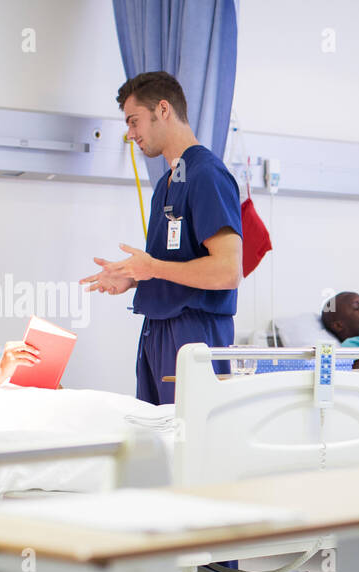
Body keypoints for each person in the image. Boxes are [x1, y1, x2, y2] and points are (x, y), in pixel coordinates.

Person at [80, 71, 243, 405]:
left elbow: (228, 271)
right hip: (159, 330)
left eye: (134, 121)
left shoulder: (206, 175)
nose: (130, 134)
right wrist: (136, 278)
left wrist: (152, 268)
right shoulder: (168, 183)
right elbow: (179, 267)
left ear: (164, 110)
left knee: (192, 442)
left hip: (195, 333)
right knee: (158, 439)